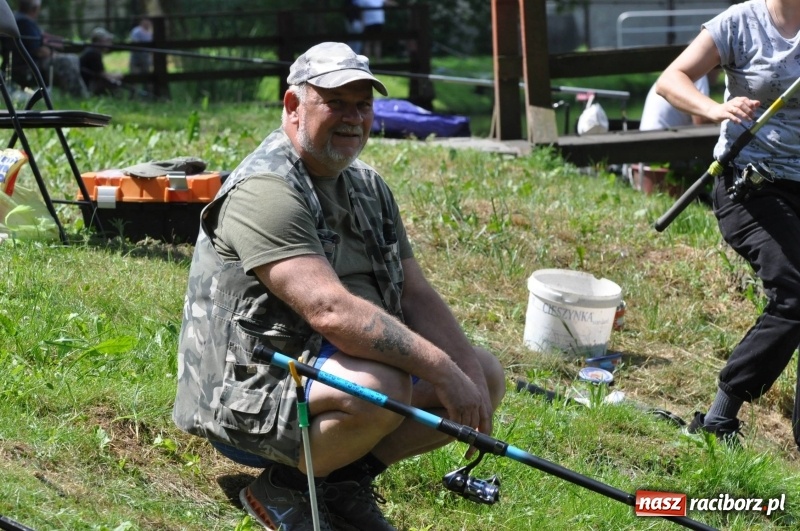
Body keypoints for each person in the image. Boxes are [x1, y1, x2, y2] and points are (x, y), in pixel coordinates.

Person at [172, 42, 506, 531]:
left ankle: (342, 481)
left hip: (328, 369)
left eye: (362, 105)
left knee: (486, 373)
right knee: (382, 387)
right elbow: (329, 310)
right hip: (247, 391)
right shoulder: (266, 190)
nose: (353, 118)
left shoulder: (368, 186)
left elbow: (415, 294)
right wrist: (441, 371)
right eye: (335, 103)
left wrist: (466, 377)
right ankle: (283, 487)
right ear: (293, 105)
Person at [655, 0, 800, 448]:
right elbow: (671, 79)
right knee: (795, 291)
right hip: (751, 185)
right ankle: (719, 418)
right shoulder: (741, 22)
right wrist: (715, 108)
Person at [9, 0, 88, 98]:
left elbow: (43, 36)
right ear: (35, 9)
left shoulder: (17, 18)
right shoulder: (24, 22)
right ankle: (80, 96)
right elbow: (39, 51)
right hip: (28, 67)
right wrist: (56, 54)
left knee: (70, 58)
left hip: (22, 65)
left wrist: (63, 42)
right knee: (69, 60)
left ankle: (72, 95)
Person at [79, 27, 123, 96]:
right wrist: (115, 75)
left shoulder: (92, 50)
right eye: (107, 41)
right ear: (99, 41)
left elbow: (98, 72)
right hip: (87, 84)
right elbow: (101, 74)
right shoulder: (94, 53)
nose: (110, 44)